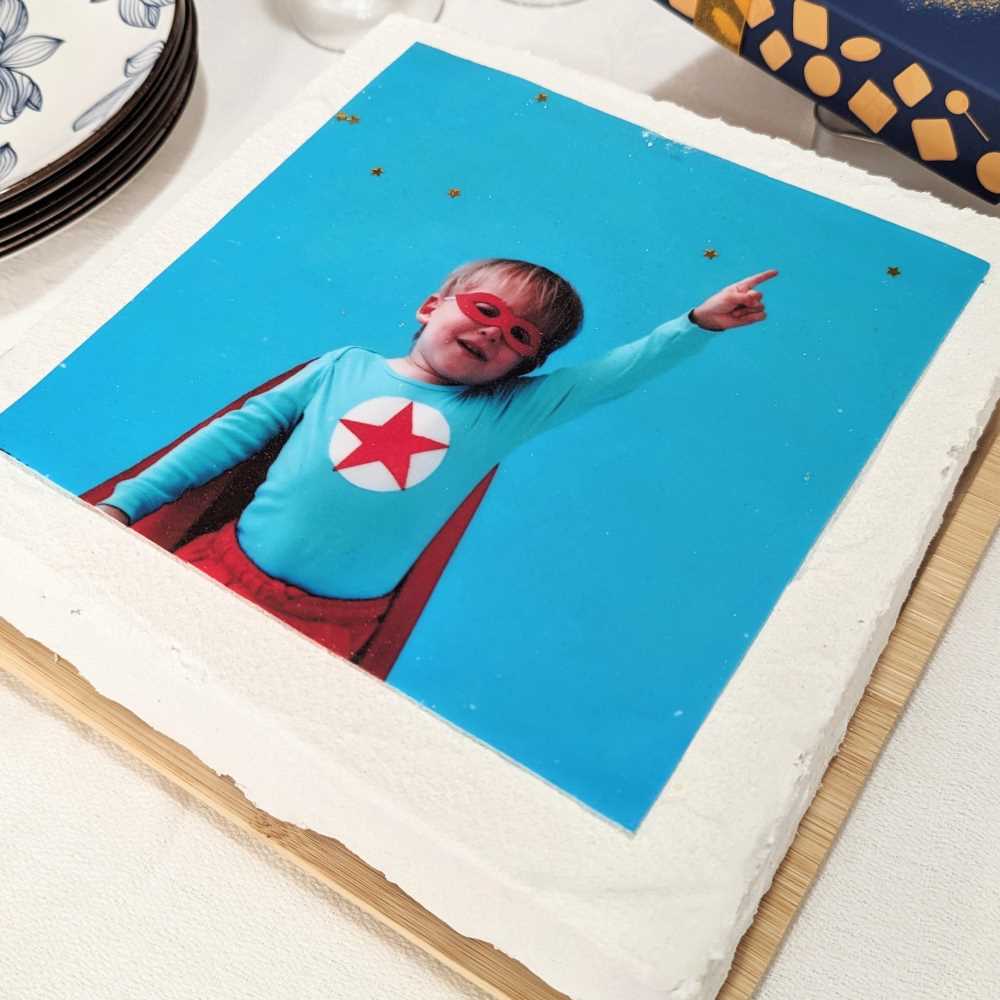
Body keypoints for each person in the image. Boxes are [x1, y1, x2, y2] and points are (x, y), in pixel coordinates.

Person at [96, 257, 777, 673]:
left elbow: (611, 375)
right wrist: (126, 503)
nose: (493, 332)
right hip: (221, 568)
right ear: (431, 307)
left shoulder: (506, 412)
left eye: (519, 336)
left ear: (524, 368)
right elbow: (229, 439)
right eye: (486, 310)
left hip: (329, 626)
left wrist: (697, 323)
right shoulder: (344, 367)